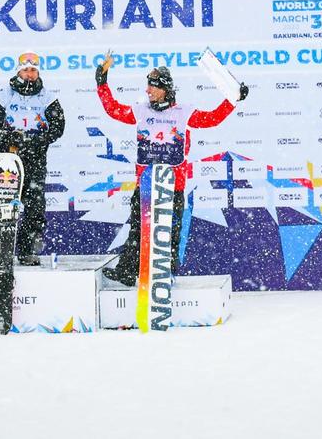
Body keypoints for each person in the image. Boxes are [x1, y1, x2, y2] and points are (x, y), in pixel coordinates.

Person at [95, 53, 248, 286]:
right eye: (147, 87)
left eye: (152, 88)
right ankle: (127, 271)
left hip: (173, 184)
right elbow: (113, 110)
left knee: (170, 232)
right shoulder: (141, 110)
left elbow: (212, 119)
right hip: (145, 183)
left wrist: (232, 100)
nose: (148, 91)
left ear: (165, 89)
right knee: (137, 229)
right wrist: (102, 83)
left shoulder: (183, 112)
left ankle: (166, 274)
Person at [0, 52, 66, 265]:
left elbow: (59, 127)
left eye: (33, 70)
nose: (29, 74)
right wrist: (11, 137)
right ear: (18, 71)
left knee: (34, 207)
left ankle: (27, 250)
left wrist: (38, 140)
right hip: (8, 159)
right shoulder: (4, 95)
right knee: (3, 203)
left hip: (35, 159)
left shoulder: (47, 97)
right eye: (25, 70)